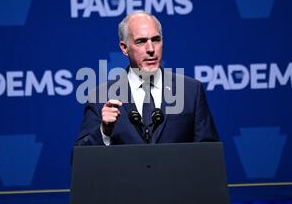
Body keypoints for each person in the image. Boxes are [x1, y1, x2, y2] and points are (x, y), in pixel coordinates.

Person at [74, 11, 219, 146]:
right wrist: (104, 132)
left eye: (156, 40)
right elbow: (80, 161)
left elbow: (209, 156)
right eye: (141, 41)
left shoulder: (191, 91)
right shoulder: (101, 98)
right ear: (124, 48)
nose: (150, 49)